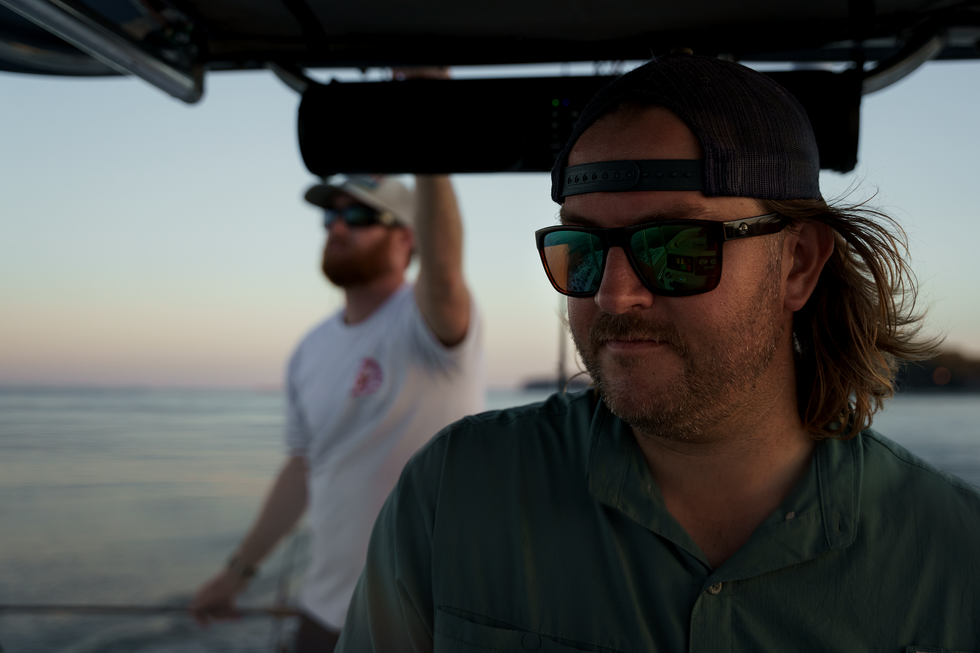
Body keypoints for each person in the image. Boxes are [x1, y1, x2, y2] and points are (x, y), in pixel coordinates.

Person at [337, 53, 980, 651]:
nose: (616, 297)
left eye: (678, 248)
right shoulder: (454, 494)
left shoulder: (956, 555)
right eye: (580, 251)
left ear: (798, 264)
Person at [190, 173, 484, 651]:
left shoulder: (427, 325)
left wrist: (431, 150)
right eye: (332, 214)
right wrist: (238, 573)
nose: (338, 228)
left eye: (361, 216)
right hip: (325, 612)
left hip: (425, 618)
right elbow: (304, 466)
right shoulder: (309, 349)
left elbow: (446, 272)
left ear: (407, 238)